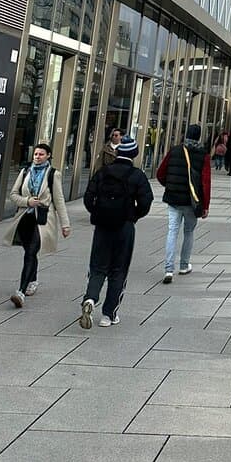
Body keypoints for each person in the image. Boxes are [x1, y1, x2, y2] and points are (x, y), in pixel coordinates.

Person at [79, 139, 153, 328]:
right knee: (118, 269)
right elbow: (146, 202)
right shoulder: (137, 175)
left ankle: (90, 298)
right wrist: (133, 216)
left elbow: (88, 197)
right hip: (124, 227)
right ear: (134, 154)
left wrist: (97, 212)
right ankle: (108, 314)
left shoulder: (103, 172)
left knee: (97, 267)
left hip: (102, 226)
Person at [5, 143, 72, 306]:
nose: (37, 157)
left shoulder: (53, 174)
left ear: (48, 155)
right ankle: (33, 280)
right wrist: (27, 201)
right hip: (25, 218)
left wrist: (65, 224)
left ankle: (20, 292)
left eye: (41, 154)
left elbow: (59, 200)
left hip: (42, 219)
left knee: (31, 252)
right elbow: (13, 194)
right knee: (29, 252)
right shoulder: (25, 171)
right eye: (35, 154)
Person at [156, 123, 210, 283]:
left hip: (173, 198)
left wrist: (170, 185)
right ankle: (184, 265)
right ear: (199, 137)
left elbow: (160, 173)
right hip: (191, 202)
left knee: (172, 231)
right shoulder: (203, 155)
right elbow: (206, 182)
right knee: (189, 231)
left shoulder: (175, 150)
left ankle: (168, 269)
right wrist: (205, 205)